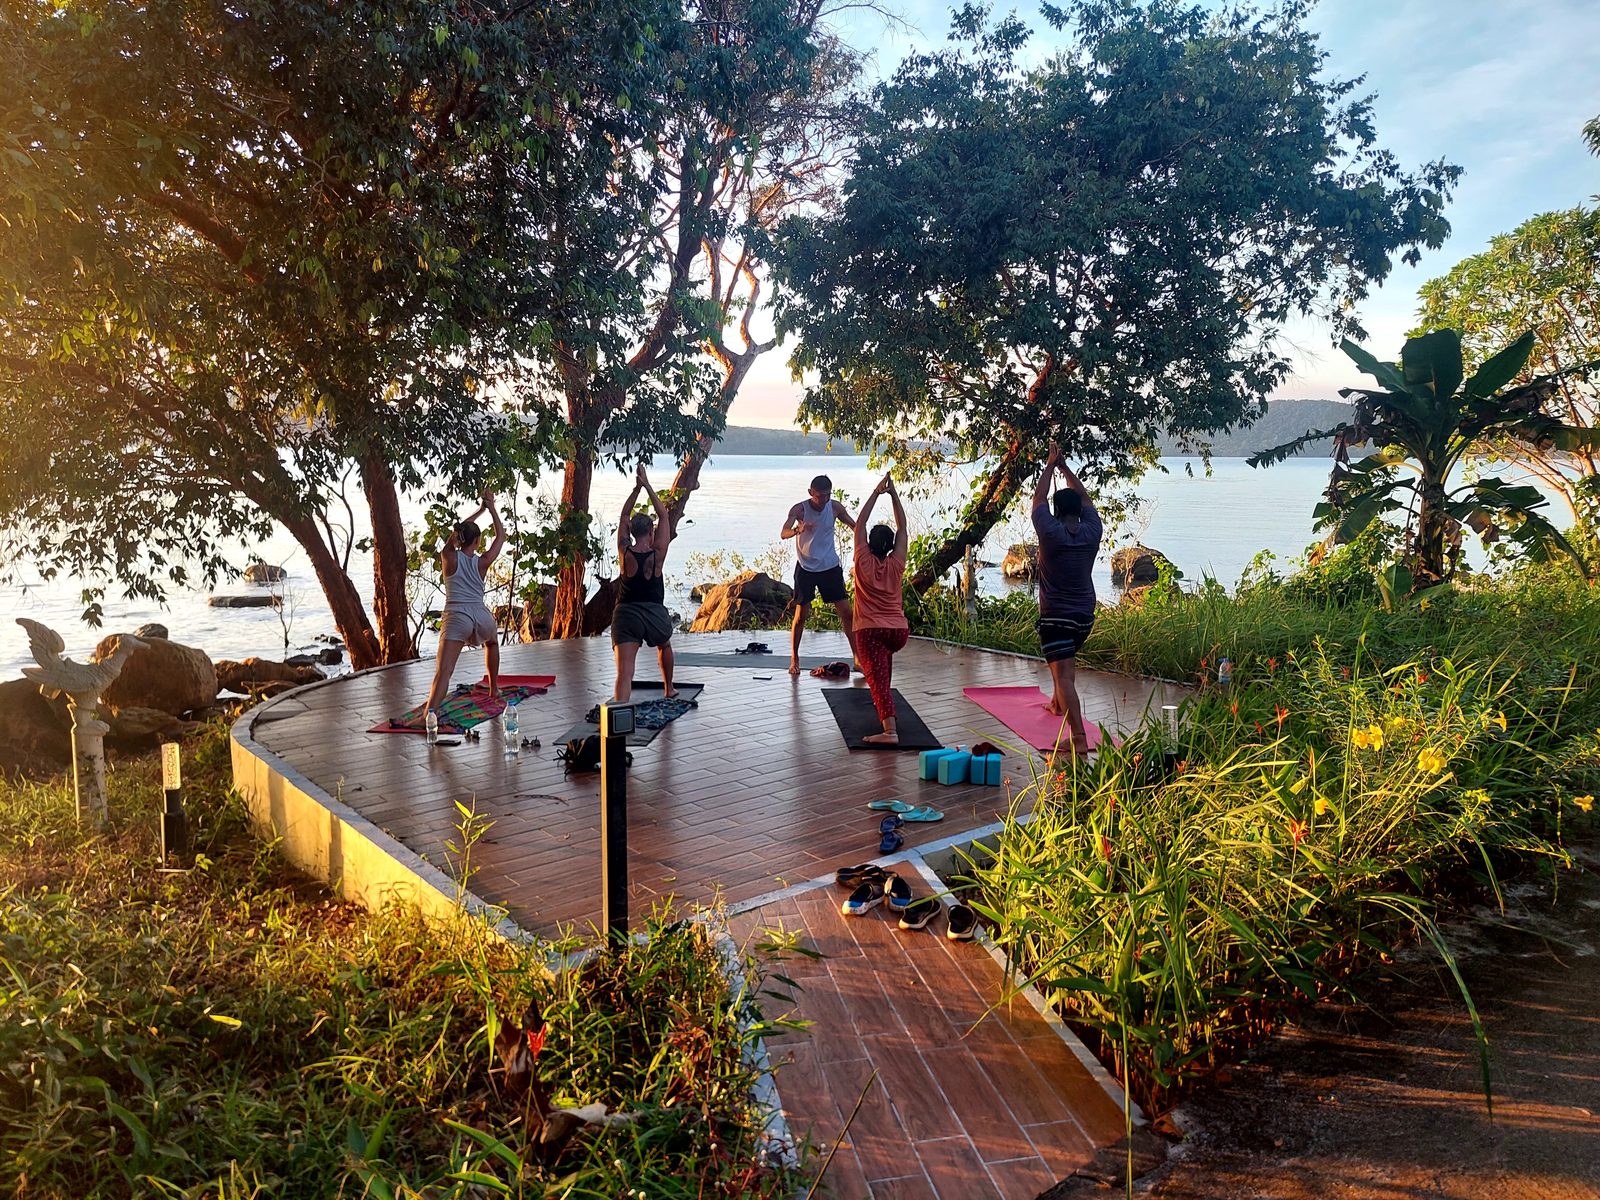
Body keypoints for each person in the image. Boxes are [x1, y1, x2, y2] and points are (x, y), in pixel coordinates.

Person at [1032, 442, 1103, 754]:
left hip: (1056, 616)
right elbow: (1086, 498)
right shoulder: (1092, 530)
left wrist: (1049, 465)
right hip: (1084, 616)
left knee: (1064, 676)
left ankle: (1078, 740)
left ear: (1057, 511)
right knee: (1064, 669)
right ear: (1079, 510)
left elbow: (1038, 499)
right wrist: (1064, 468)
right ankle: (1056, 704)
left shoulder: (1050, 532)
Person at [424, 490, 506, 719]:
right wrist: (490, 508)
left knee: (444, 671)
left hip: (457, 615)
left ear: (459, 539)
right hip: (480, 615)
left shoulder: (449, 556)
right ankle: (493, 688)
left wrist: (478, 511)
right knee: (492, 642)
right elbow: (501, 536)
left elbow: (456, 534)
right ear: (478, 541)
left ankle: (429, 714)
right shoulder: (483, 562)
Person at [851, 472, 910, 745]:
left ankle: (891, 732)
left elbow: (859, 523)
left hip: (870, 629)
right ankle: (887, 716)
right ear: (890, 546)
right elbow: (903, 528)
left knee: (875, 679)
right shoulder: (896, 564)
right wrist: (894, 494)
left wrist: (876, 492)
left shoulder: (863, 560)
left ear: (870, 542)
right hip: (897, 631)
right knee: (882, 670)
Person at [612, 463, 677, 704]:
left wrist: (636, 490)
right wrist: (647, 484)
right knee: (665, 645)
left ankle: (619, 710)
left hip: (626, 614)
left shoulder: (623, 551)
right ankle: (668, 688)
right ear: (651, 532)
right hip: (653, 613)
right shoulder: (657, 554)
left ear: (631, 530)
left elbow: (623, 515)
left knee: (625, 673)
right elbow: (663, 515)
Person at [781, 473, 858, 676]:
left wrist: (864, 549)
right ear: (810, 493)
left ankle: (858, 658)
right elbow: (783, 532)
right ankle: (794, 658)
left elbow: (854, 526)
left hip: (830, 567)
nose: (823, 500)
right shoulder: (800, 509)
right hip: (805, 568)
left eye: (827, 495)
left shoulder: (834, 507)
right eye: (819, 496)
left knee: (847, 614)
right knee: (801, 616)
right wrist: (799, 529)